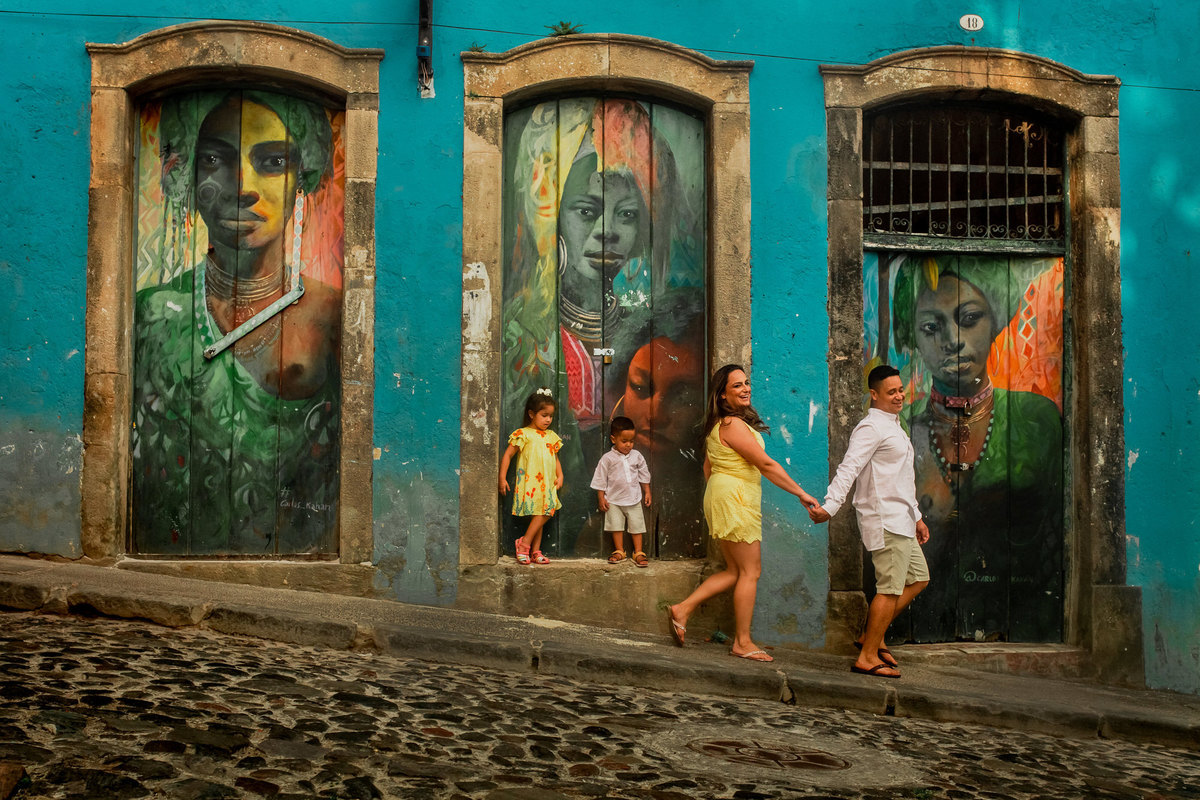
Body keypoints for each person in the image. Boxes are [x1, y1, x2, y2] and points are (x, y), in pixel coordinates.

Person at [132, 89, 341, 554]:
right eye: (214, 159)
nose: (242, 185)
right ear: (187, 175)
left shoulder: (331, 314)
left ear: (301, 179)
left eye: (272, 162)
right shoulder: (149, 311)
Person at [891, 255, 1063, 641]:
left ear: (996, 322)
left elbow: (1058, 540)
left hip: (1020, 623)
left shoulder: (1035, 421)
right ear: (912, 336)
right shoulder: (903, 429)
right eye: (931, 326)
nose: (952, 339)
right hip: (920, 621)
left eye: (969, 319)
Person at [667, 365, 821, 662]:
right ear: (723, 395)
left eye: (746, 382)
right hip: (735, 499)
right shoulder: (733, 425)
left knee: (737, 571)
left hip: (726, 496)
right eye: (736, 385)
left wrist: (721, 496)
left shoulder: (720, 426)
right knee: (751, 571)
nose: (745, 388)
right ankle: (742, 642)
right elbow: (766, 465)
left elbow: (708, 468)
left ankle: (682, 609)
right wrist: (801, 493)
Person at [808, 364, 930, 679]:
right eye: (892, 392)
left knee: (919, 579)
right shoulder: (871, 427)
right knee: (888, 590)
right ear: (874, 395)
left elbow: (902, 479)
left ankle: (869, 635)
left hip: (902, 519)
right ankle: (867, 655)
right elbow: (849, 468)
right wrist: (830, 507)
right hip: (884, 519)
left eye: (901, 389)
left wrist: (916, 516)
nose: (900, 396)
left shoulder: (894, 426)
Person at [499, 389, 565, 565]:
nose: (548, 420)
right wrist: (502, 477)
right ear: (531, 414)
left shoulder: (551, 436)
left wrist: (560, 474)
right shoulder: (523, 434)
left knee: (544, 512)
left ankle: (534, 550)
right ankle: (525, 545)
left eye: (550, 416)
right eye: (544, 415)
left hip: (548, 482)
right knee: (541, 513)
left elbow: (555, 457)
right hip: (531, 482)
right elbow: (507, 456)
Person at [591, 416, 652, 567]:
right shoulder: (607, 458)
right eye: (624, 441)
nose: (628, 445)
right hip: (613, 499)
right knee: (615, 526)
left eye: (631, 441)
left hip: (633, 497)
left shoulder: (637, 456)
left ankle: (638, 552)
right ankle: (619, 551)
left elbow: (644, 474)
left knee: (637, 525)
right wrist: (601, 498)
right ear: (613, 439)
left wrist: (647, 491)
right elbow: (600, 478)